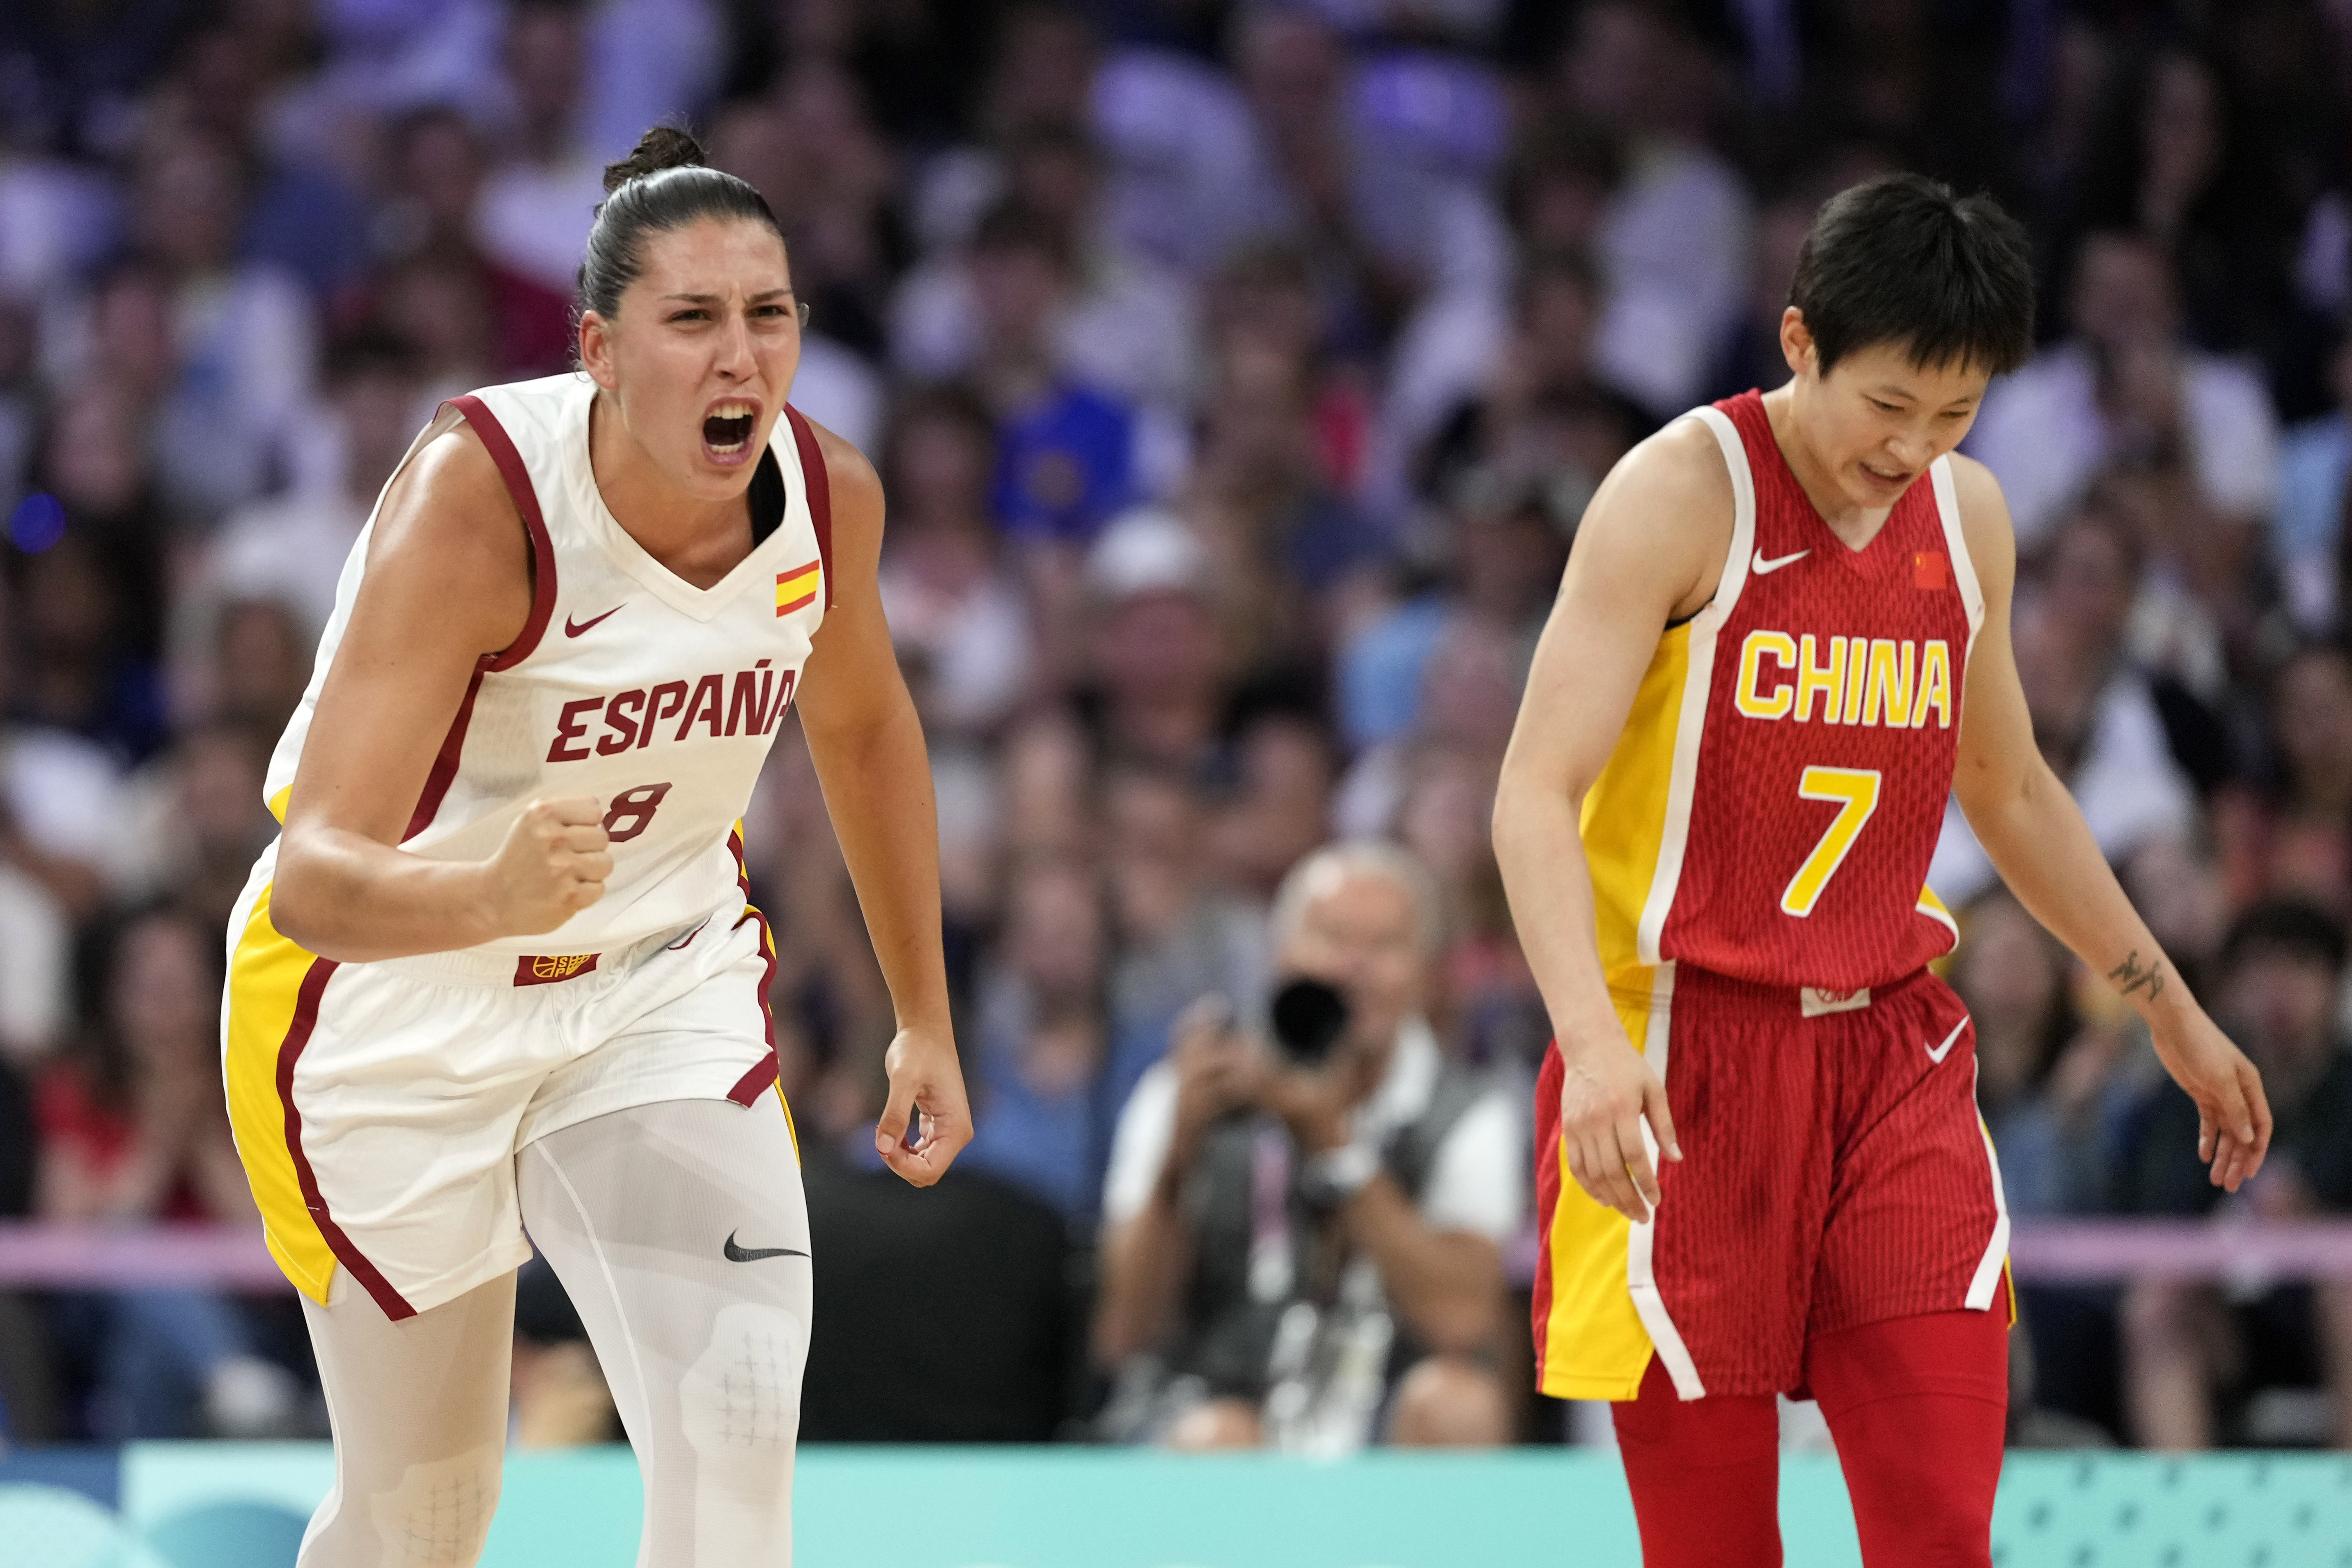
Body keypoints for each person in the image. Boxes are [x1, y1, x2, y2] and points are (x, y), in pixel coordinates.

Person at [1492, 174, 2272, 1567]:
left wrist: (2166, 1004)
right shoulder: (1681, 492)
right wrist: (1592, 1046)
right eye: (1890, 405)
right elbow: (1531, 796)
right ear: (1801, 342)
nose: (1913, 449)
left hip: (1888, 1060)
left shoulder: (1968, 523)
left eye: (1957, 413)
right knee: (1717, 1548)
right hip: (1679, 1064)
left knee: (1937, 1531)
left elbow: (2013, 790)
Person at [220, 127, 969, 1568]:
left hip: (652, 983)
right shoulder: (481, 496)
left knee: (740, 1445)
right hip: (385, 1005)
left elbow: (866, 732)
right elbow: (311, 879)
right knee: (424, 1514)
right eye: (693, 319)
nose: (740, 357)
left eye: (769, 316)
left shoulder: (830, 494)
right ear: (601, 351)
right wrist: (481, 893)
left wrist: (921, 1017)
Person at [1094, 840, 1523, 1453]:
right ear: (1280, 955)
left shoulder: (1467, 1112)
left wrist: (1335, 1146)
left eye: (1384, 946)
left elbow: (1462, 1318)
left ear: (1427, 974)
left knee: (1458, 1408)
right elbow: (1123, 1334)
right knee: (1220, 1441)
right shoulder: (1191, 1087)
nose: (1353, 969)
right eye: (1331, 939)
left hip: (1382, 1416)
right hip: (1212, 1409)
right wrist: (1178, 1155)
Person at [2117, 900, 2352, 1449]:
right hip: (2228, 1310)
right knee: (2155, 1305)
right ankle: (2179, 1505)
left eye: (2298, 966)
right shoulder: (2187, 1089)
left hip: (2327, 1302)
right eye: (2258, 969)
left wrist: (2313, 1213)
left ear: (2333, 982)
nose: (2278, 989)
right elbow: (2154, 1207)